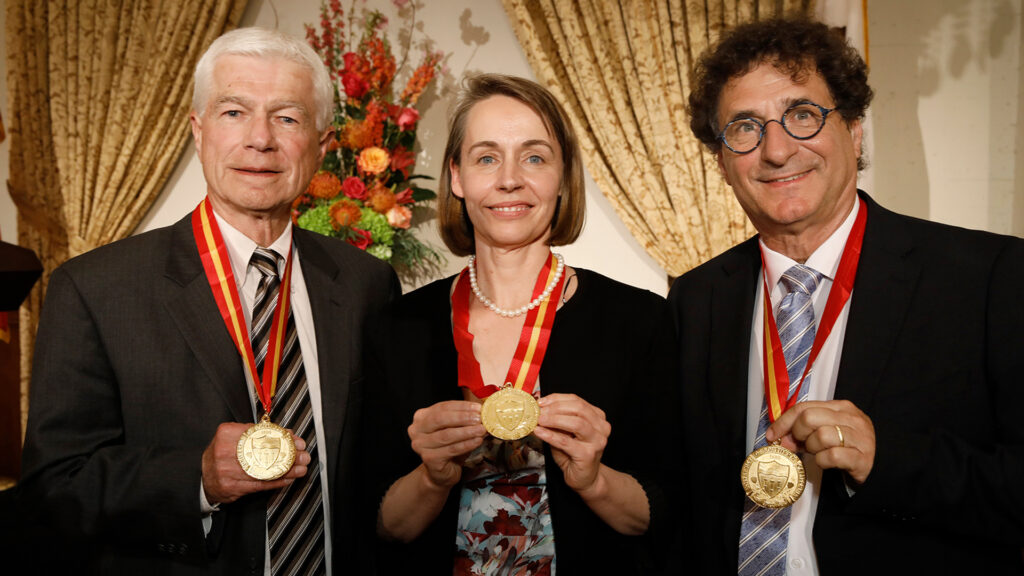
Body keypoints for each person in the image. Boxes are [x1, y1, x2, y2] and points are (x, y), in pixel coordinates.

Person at [19, 27, 398, 574]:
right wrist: (195, 478)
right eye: (234, 113)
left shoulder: (366, 283)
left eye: (287, 118)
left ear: (322, 144)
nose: (260, 140)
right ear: (198, 132)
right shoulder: (96, 289)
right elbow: (52, 491)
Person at [669, 17, 1024, 575]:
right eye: (745, 127)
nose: (777, 151)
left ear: (855, 131)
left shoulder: (990, 277)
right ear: (721, 162)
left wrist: (887, 460)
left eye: (802, 116)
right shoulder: (693, 301)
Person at [362, 74, 679, 575]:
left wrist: (594, 479)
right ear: (458, 177)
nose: (510, 179)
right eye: (487, 157)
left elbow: (663, 516)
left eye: (534, 157)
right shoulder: (397, 325)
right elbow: (381, 528)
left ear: (562, 178)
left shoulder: (641, 319)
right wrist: (432, 478)